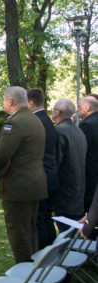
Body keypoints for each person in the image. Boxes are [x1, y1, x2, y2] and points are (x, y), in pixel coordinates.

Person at [0, 86, 47, 263]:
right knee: (30, 231)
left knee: (19, 234)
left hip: (18, 186)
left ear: (10, 101)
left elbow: (0, 154)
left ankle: (24, 276)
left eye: (4, 100)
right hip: (35, 183)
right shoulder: (35, 119)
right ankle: (34, 271)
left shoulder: (14, 123)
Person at [27, 88, 58, 249]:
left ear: (31, 103)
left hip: (42, 176)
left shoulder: (37, 122)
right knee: (47, 218)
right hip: (51, 174)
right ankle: (52, 256)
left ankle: (44, 258)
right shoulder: (48, 120)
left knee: (40, 219)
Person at [51, 99, 87, 231]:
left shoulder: (59, 132)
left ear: (58, 112)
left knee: (66, 233)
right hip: (78, 189)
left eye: (53, 109)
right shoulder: (78, 131)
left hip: (64, 192)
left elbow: (56, 162)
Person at [77, 95, 98, 212]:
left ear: (87, 108)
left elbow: (80, 151)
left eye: (79, 106)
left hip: (90, 178)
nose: (76, 109)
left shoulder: (87, 125)